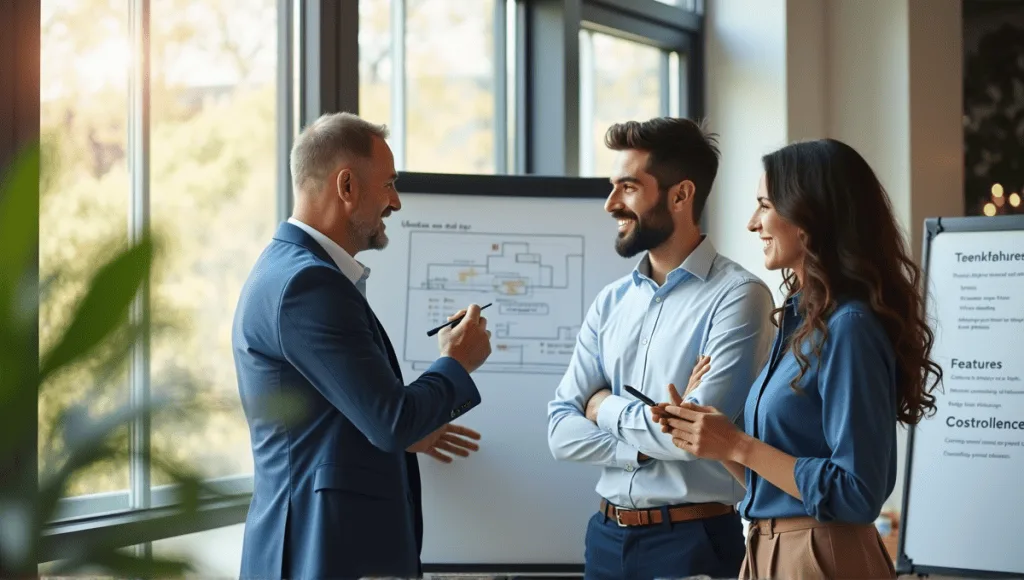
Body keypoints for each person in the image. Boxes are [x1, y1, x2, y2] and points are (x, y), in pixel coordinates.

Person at [657, 138, 942, 579]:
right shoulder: (799, 321)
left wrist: (736, 443)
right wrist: (711, 439)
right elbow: (774, 484)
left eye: (764, 205)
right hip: (768, 550)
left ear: (809, 216)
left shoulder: (850, 327)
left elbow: (858, 492)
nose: (753, 223)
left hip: (821, 556)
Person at [233, 112, 493, 579]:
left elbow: (333, 415)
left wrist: (413, 430)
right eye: (389, 184)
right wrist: (456, 361)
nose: (395, 201)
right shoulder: (308, 284)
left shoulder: (292, 270)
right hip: (318, 554)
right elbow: (390, 422)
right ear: (347, 186)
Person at [546, 117, 776, 580]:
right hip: (606, 538)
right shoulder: (610, 302)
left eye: (628, 187)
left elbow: (694, 438)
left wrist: (603, 405)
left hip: (692, 542)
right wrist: (646, 443)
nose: (612, 204)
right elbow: (558, 431)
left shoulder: (738, 297)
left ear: (680, 195)